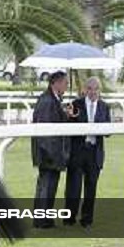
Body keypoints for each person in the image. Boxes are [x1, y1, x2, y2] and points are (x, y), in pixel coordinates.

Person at [64, 77, 111, 229]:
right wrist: (70, 116)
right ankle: (69, 218)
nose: (92, 92)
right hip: (78, 151)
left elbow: (108, 132)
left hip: (94, 152)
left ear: (99, 90)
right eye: (90, 88)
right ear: (85, 89)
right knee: (74, 187)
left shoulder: (104, 107)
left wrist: (101, 128)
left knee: (91, 187)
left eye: (96, 89)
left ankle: (87, 220)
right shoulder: (76, 104)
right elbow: (69, 126)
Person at [31, 71, 75, 228]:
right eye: (65, 83)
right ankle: (41, 220)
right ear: (55, 83)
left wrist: (67, 116)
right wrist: (54, 155)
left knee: (49, 187)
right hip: (48, 154)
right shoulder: (47, 101)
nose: (67, 86)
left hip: (52, 153)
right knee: (46, 187)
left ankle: (45, 218)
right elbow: (45, 133)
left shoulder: (54, 100)